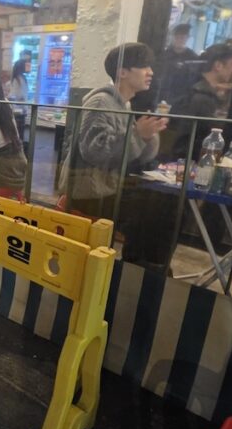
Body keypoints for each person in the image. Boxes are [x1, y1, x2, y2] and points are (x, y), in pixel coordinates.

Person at [58, 44, 173, 270]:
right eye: (143, 66)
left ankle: (137, 274)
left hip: (106, 190)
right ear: (122, 72)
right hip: (89, 193)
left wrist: (148, 136)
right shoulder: (101, 102)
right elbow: (94, 150)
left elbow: (135, 155)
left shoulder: (124, 104)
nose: (150, 72)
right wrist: (137, 134)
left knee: (157, 216)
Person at [169, 42, 232, 158]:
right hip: (193, 160)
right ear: (218, 65)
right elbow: (214, 132)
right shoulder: (201, 97)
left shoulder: (197, 89)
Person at [137, 23, 200, 112]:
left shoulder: (192, 58)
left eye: (182, 37)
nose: (180, 40)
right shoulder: (164, 56)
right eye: (177, 37)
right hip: (162, 95)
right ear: (173, 37)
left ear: (187, 38)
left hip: (183, 99)